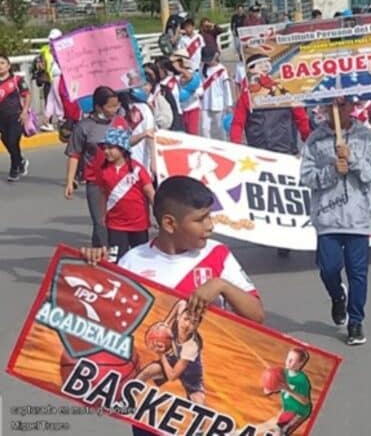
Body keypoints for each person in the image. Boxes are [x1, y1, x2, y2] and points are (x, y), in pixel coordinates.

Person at [81, 175, 265, 436]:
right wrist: (92, 269)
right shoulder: (133, 261)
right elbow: (107, 326)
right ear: (169, 223)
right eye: (201, 219)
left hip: (208, 397)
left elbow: (257, 315)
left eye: (209, 216)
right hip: (151, 409)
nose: (210, 226)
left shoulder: (218, 255)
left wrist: (222, 286)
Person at [300, 96, 371, 345]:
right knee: (329, 269)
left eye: (342, 105)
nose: (337, 110)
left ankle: (355, 321)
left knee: (358, 273)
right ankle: (338, 297)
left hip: (358, 216)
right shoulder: (316, 139)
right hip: (328, 217)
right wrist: (332, 170)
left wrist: (353, 161)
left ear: (352, 107)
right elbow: (306, 176)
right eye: (332, 106)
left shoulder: (365, 136)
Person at [65, 86, 128, 247]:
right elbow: (74, 154)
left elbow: (128, 148)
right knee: (100, 221)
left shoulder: (120, 122)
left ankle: (107, 253)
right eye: (111, 106)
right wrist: (70, 181)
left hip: (119, 180)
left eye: (117, 105)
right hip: (96, 182)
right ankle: (103, 254)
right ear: (98, 107)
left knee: (116, 220)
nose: (115, 109)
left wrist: (143, 135)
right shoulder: (84, 127)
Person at [96, 127, 155, 258]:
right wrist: (101, 215)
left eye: (111, 148)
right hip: (115, 225)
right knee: (115, 259)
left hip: (139, 225)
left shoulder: (137, 169)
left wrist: (159, 214)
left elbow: (150, 193)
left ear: (122, 149)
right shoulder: (103, 171)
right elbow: (102, 194)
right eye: (104, 147)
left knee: (140, 259)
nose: (106, 151)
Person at [0, 54, 31, 182]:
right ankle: (21, 161)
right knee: (6, 140)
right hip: (1, 118)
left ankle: (14, 169)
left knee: (13, 141)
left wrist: (24, 112)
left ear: (8, 66)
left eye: (2, 63)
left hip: (15, 116)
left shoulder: (17, 80)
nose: (0, 66)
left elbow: (27, 95)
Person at [200, 46, 232, 140]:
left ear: (215, 55)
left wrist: (228, 104)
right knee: (204, 127)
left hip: (218, 102)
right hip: (205, 102)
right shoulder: (202, 68)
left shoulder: (222, 69)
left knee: (220, 127)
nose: (208, 61)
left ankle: (224, 144)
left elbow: (227, 88)